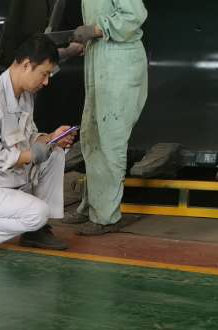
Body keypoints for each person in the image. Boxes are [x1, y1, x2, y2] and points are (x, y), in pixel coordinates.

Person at [0, 35, 79, 254]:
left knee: (55, 153)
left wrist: (51, 138)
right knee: (37, 213)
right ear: (27, 65)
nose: (46, 82)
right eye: (44, 74)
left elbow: (27, 138)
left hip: (8, 178)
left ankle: (35, 232)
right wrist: (30, 156)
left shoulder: (25, 95)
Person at [66, 1, 149, 235]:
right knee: (91, 138)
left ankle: (106, 217)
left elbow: (134, 15)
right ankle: (93, 205)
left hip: (119, 62)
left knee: (110, 142)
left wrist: (96, 29)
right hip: (100, 58)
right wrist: (84, 41)